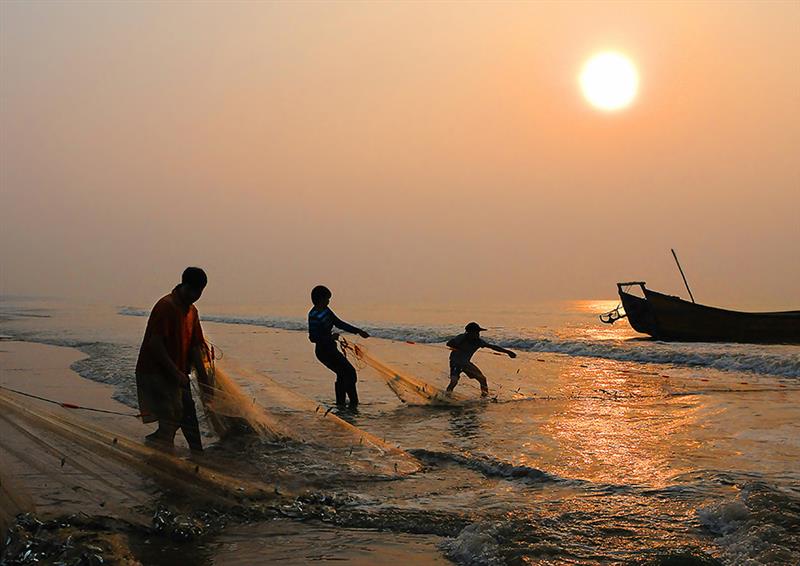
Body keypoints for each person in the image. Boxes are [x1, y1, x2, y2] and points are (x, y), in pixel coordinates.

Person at [135, 267, 208, 452]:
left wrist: (205, 381)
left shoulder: (192, 312)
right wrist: (175, 372)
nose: (195, 295)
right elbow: (155, 344)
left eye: (199, 292)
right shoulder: (166, 307)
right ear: (184, 285)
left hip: (178, 374)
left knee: (187, 414)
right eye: (193, 290)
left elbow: (195, 347)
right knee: (171, 417)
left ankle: (197, 454)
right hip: (155, 372)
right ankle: (163, 470)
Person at [308, 285, 369, 409]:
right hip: (324, 352)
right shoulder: (314, 315)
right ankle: (352, 404)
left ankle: (342, 404)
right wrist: (330, 338)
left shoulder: (326, 310)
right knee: (350, 373)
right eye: (327, 299)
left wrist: (357, 331)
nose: (328, 301)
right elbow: (313, 338)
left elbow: (338, 323)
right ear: (320, 299)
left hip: (331, 349)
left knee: (342, 375)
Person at [446, 322, 516, 397]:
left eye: (478, 332)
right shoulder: (462, 337)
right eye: (476, 332)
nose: (478, 334)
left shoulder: (478, 341)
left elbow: (492, 347)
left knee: (482, 379)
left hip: (466, 364)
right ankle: (446, 396)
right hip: (455, 362)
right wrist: (458, 347)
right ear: (469, 332)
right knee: (454, 381)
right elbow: (449, 343)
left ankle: (484, 397)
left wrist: (508, 352)